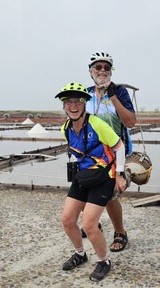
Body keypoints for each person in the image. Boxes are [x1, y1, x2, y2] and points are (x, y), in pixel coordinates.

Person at [56, 82, 128, 282]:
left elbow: (119, 147)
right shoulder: (65, 129)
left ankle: (104, 261)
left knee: (89, 225)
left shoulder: (97, 124)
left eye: (78, 100)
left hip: (104, 176)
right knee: (68, 220)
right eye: (68, 101)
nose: (73, 105)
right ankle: (80, 254)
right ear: (63, 106)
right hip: (83, 176)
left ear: (84, 103)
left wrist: (120, 175)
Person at [84, 51, 136, 253]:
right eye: (98, 67)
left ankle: (120, 232)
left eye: (107, 67)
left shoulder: (120, 92)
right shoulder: (85, 94)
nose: (102, 71)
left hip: (116, 151)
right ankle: (92, 224)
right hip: (90, 152)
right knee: (85, 189)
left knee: (110, 195)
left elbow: (130, 122)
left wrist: (112, 95)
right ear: (91, 71)